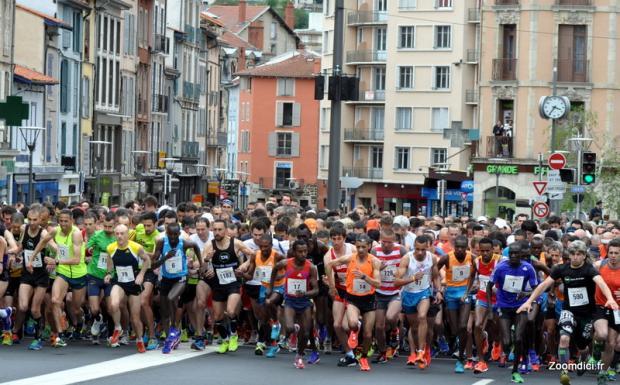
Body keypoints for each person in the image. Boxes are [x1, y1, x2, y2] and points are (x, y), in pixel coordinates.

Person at [518, 241, 619, 385]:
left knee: (585, 345)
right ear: (569, 255)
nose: (575, 257)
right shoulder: (561, 269)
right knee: (564, 339)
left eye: (579, 254)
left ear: (584, 256)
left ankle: (586, 356)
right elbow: (544, 285)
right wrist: (529, 301)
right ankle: (564, 372)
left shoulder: (589, 269)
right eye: (572, 254)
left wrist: (609, 298)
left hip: (588, 314)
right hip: (569, 311)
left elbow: (601, 283)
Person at [31, 209, 86, 348]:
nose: (63, 224)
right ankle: (60, 335)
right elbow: (43, 241)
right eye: (61, 221)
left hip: (78, 273)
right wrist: (31, 258)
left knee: (75, 308)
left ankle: (81, 321)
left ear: (71, 221)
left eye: (66, 221)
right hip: (63, 272)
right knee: (55, 301)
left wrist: (55, 261)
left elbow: (76, 259)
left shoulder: (76, 234)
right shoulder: (56, 231)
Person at [327, 234, 381, 372]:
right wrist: (332, 285)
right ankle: (356, 327)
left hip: (369, 300)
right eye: (358, 247)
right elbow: (330, 264)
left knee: (368, 334)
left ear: (369, 246)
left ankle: (363, 358)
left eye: (364, 247)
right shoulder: (350, 258)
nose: (361, 250)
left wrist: (364, 277)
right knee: (351, 323)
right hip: (353, 298)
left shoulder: (374, 261)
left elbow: (378, 284)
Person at [488, 242, 539, 383]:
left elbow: (536, 288)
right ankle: (510, 344)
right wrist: (489, 307)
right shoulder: (501, 268)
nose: (514, 256)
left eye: (517, 254)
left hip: (520, 307)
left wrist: (526, 293)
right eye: (511, 254)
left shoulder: (527, 268)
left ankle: (517, 369)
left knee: (518, 338)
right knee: (506, 342)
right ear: (508, 255)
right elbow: (489, 285)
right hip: (504, 306)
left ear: (521, 255)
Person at [202, 219, 255, 354]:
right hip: (218, 284)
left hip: (233, 282)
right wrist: (207, 260)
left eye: (220, 230)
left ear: (225, 230)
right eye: (215, 230)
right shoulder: (209, 246)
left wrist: (245, 264)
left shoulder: (235, 243)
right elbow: (202, 269)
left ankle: (233, 335)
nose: (217, 233)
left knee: (231, 311)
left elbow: (253, 255)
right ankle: (225, 339)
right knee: (218, 316)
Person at [151, 223, 202, 354]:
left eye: (175, 234)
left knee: (171, 298)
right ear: (166, 234)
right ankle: (170, 338)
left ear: (179, 234)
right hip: (166, 279)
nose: (173, 237)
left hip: (180, 278)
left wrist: (201, 264)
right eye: (170, 234)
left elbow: (196, 246)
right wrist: (165, 258)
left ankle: (174, 330)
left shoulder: (183, 243)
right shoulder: (161, 243)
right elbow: (153, 265)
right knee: (164, 312)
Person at [394, 235, 441, 369]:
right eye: (417, 249)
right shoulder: (407, 258)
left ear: (428, 247)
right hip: (408, 294)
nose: (420, 252)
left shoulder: (431, 258)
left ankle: (421, 351)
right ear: (414, 247)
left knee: (422, 317)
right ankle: (414, 352)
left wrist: (438, 291)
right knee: (414, 328)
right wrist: (413, 278)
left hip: (424, 292)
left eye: (423, 249)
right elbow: (396, 282)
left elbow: (436, 276)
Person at [270, 239, 319, 369]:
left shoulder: (311, 267)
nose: (303, 254)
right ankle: (294, 330)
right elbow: (274, 269)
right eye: (300, 251)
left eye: (305, 251)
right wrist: (271, 287)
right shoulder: (286, 263)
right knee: (290, 328)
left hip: (304, 302)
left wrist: (304, 293)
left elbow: (316, 290)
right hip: (290, 301)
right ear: (294, 252)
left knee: (307, 333)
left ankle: (299, 356)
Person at [104, 224, 149, 352]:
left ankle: (140, 339)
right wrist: (108, 274)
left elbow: (147, 260)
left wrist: (141, 274)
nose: (119, 236)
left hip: (134, 284)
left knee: (135, 318)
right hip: (119, 282)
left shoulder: (136, 247)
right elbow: (109, 262)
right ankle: (118, 328)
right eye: (117, 233)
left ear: (127, 234)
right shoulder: (111, 248)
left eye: (122, 233)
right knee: (113, 305)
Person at [436, 235, 476, 373]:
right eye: (457, 247)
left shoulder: (472, 257)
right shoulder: (447, 257)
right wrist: (438, 288)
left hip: (465, 292)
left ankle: (461, 359)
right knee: (455, 330)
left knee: (463, 326)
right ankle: (459, 344)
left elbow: (477, 273)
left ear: (466, 248)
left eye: (462, 247)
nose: (459, 249)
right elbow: (434, 270)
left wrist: (471, 288)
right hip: (451, 293)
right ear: (454, 247)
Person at [12, 205, 49, 350]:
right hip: (27, 273)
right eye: (30, 219)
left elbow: (53, 246)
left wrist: (54, 259)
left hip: (41, 275)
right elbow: (21, 246)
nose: (32, 223)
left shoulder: (43, 233)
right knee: (22, 306)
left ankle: (38, 337)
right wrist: (13, 252)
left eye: (35, 220)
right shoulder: (24, 229)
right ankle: (16, 331)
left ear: (40, 220)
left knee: (35, 309)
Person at [85, 212, 116, 345]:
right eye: (106, 227)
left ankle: (111, 334)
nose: (108, 230)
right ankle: (97, 319)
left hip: (110, 276)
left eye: (111, 227)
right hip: (94, 275)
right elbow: (84, 248)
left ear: (115, 225)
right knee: (94, 309)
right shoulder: (97, 235)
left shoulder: (118, 237)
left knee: (110, 308)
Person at [592, 238, 620, 385]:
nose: (613, 256)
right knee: (602, 334)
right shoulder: (599, 265)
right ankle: (596, 347)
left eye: (616, 253)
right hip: (600, 306)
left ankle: (603, 371)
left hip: (617, 310)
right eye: (611, 252)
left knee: (611, 343)